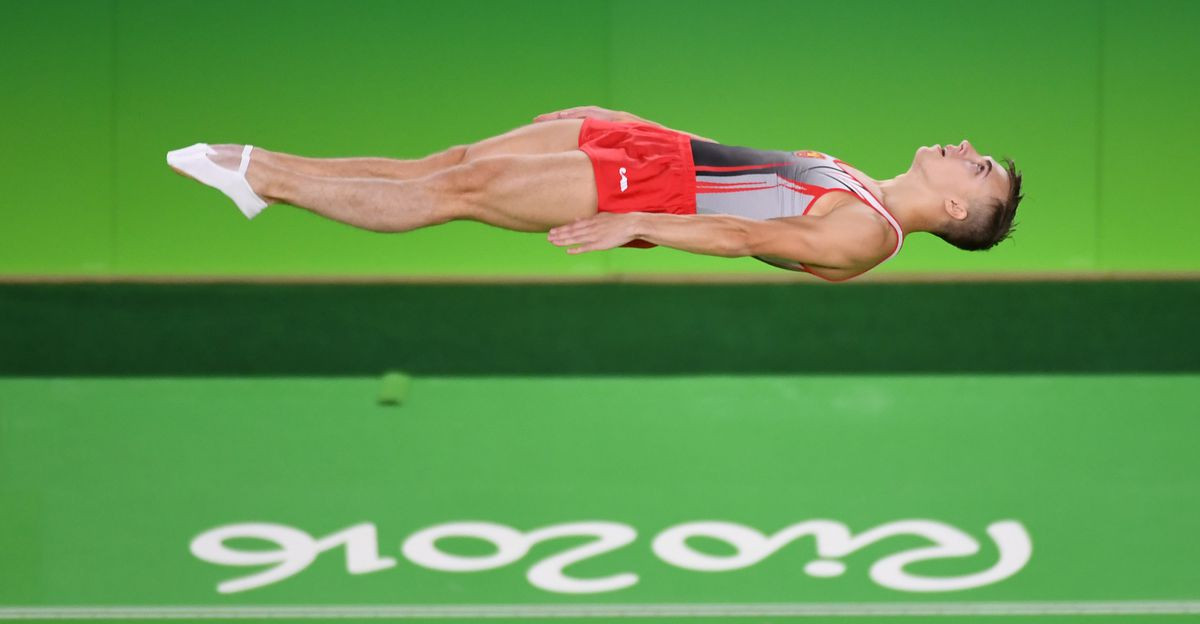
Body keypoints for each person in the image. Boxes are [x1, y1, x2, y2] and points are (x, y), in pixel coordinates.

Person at [166, 105, 1022, 282]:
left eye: (978, 170)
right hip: (653, 147)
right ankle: (266, 171)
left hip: (655, 187)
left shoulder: (868, 236)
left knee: (460, 191)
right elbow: (748, 168)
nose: (969, 151)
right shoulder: (861, 183)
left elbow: (741, 236)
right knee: (453, 158)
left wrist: (636, 221)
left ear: (954, 212)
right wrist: (628, 127)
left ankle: (262, 180)